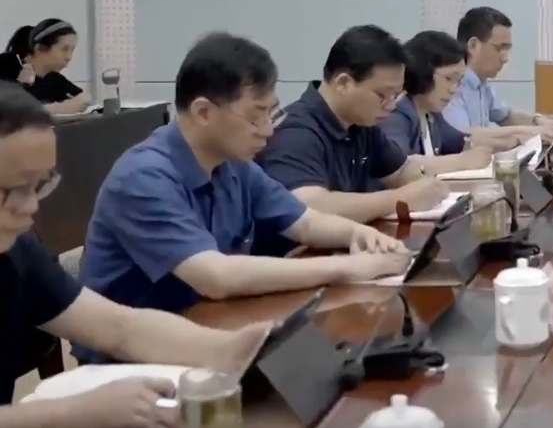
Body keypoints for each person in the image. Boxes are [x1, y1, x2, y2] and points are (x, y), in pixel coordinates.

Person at [77, 34, 408, 340]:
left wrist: (358, 235)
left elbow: (306, 223)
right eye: (255, 116)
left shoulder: (233, 164)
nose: (268, 131)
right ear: (203, 112)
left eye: (271, 113)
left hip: (213, 323)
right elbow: (217, 277)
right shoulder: (143, 177)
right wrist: (347, 268)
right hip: (136, 352)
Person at [0, 84, 273, 424]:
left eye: (40, 184)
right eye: (15, 189)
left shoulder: (16, 252)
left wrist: (229, 348)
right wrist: (71, 412)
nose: (32, 206)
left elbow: (121, 327)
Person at [254, 26, 453, 247]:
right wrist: (401, 199)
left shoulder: (361, 123)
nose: (390, 106)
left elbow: (399, 171)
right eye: (383, 95)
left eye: (396, 96)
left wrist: (425, 182)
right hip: (297, 257)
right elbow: (309, 207)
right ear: (343, 83)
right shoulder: (295, 131)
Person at [443, 7, 553, 149]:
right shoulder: (452, 85)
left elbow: (505, 115)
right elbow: (464, 135)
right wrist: (528, 132)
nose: (505, 58)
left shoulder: (482, 83)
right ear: (473, 45)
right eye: (500, 48)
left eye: (507, 49)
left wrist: (538, 121)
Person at [380, 30, 495, 171]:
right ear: (423, 72)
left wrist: (508, 142)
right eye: (449, 79)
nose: (454, 89)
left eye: (458, 82)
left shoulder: (430, 114)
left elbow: (461, 141)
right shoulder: (396, 114)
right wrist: (461, 161)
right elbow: (399, 164)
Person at [1, 20, 89, 114]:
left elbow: (83, 98)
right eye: (64, 49)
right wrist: (63, 108)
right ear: (39, 48)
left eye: (72, 50)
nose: (69, 57)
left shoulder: (54, 79)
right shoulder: (6, 66)